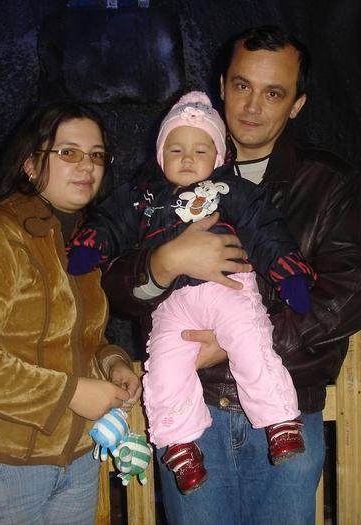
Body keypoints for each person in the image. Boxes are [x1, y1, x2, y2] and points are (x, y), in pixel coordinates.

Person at [102, 25, 361, 525]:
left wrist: (240, 339)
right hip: (193, 405)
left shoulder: (325, 182)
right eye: (243, 86)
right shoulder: (161, 176)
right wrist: (164, 263)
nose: (252, 107)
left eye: (274, 93)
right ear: (223, 84)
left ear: (296, 104)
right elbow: (116, 289)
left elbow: (352, 293)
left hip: (287, 403)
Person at [66, 91, 316, 495]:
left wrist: (288, 274)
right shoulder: (143, 198)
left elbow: (265, 228)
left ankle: (280, 420)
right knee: (163, 367)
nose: (186, 158)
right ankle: (179, 445)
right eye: (175, 148)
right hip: (173, 305)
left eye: (200, 150)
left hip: (228, 288)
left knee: (250, 342)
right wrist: (91, 244)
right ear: (160, 155)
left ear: (218, 158)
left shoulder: (230, 191)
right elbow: (113, 221)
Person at [0, 100, 142, 525]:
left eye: (97, 155)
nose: (87, 166)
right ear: (29, 164)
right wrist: (70, 392)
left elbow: (84, 339)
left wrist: (112, 361)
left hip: (75, 460)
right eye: (69, 152)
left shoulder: (83, 245)